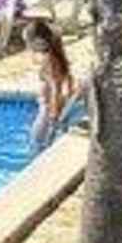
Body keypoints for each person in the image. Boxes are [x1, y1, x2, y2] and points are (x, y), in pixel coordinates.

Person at [27, 19, 79, 151]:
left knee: (37, 144)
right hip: (52, 107)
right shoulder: (57, 58)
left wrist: (53, 114)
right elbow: (69, 80)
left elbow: (56, 88)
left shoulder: (50, 62)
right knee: (46, 144)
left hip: (48, 110)